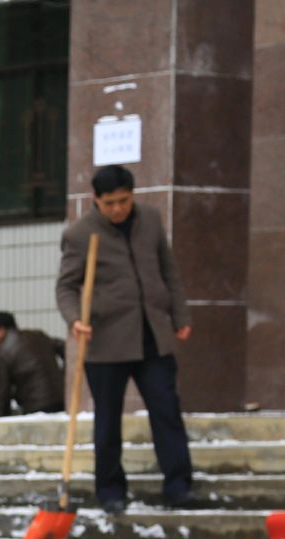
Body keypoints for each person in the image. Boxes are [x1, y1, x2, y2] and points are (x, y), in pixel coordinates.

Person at [56, 164, 194, 514]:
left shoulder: (150, 221)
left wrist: (180, 316)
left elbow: (169, 271)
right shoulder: (79, 234)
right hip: (107, 341)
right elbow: (66, 286)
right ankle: (110, 490)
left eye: (124, 201)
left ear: (133, 195)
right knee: (108, 420)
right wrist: (75, 320)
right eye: (110, 203)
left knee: (166, 411)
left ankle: (179, 486)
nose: (118, 209)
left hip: (153, 336)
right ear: (96, 199)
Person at [0, 311, 66, 417]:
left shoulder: (1, 354)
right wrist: (64, 375)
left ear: (1, 331)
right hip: (61, 400)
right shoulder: (39, 336)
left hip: (35, 406)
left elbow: (3, 393)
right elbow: (66, 348)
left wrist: (2, 417)